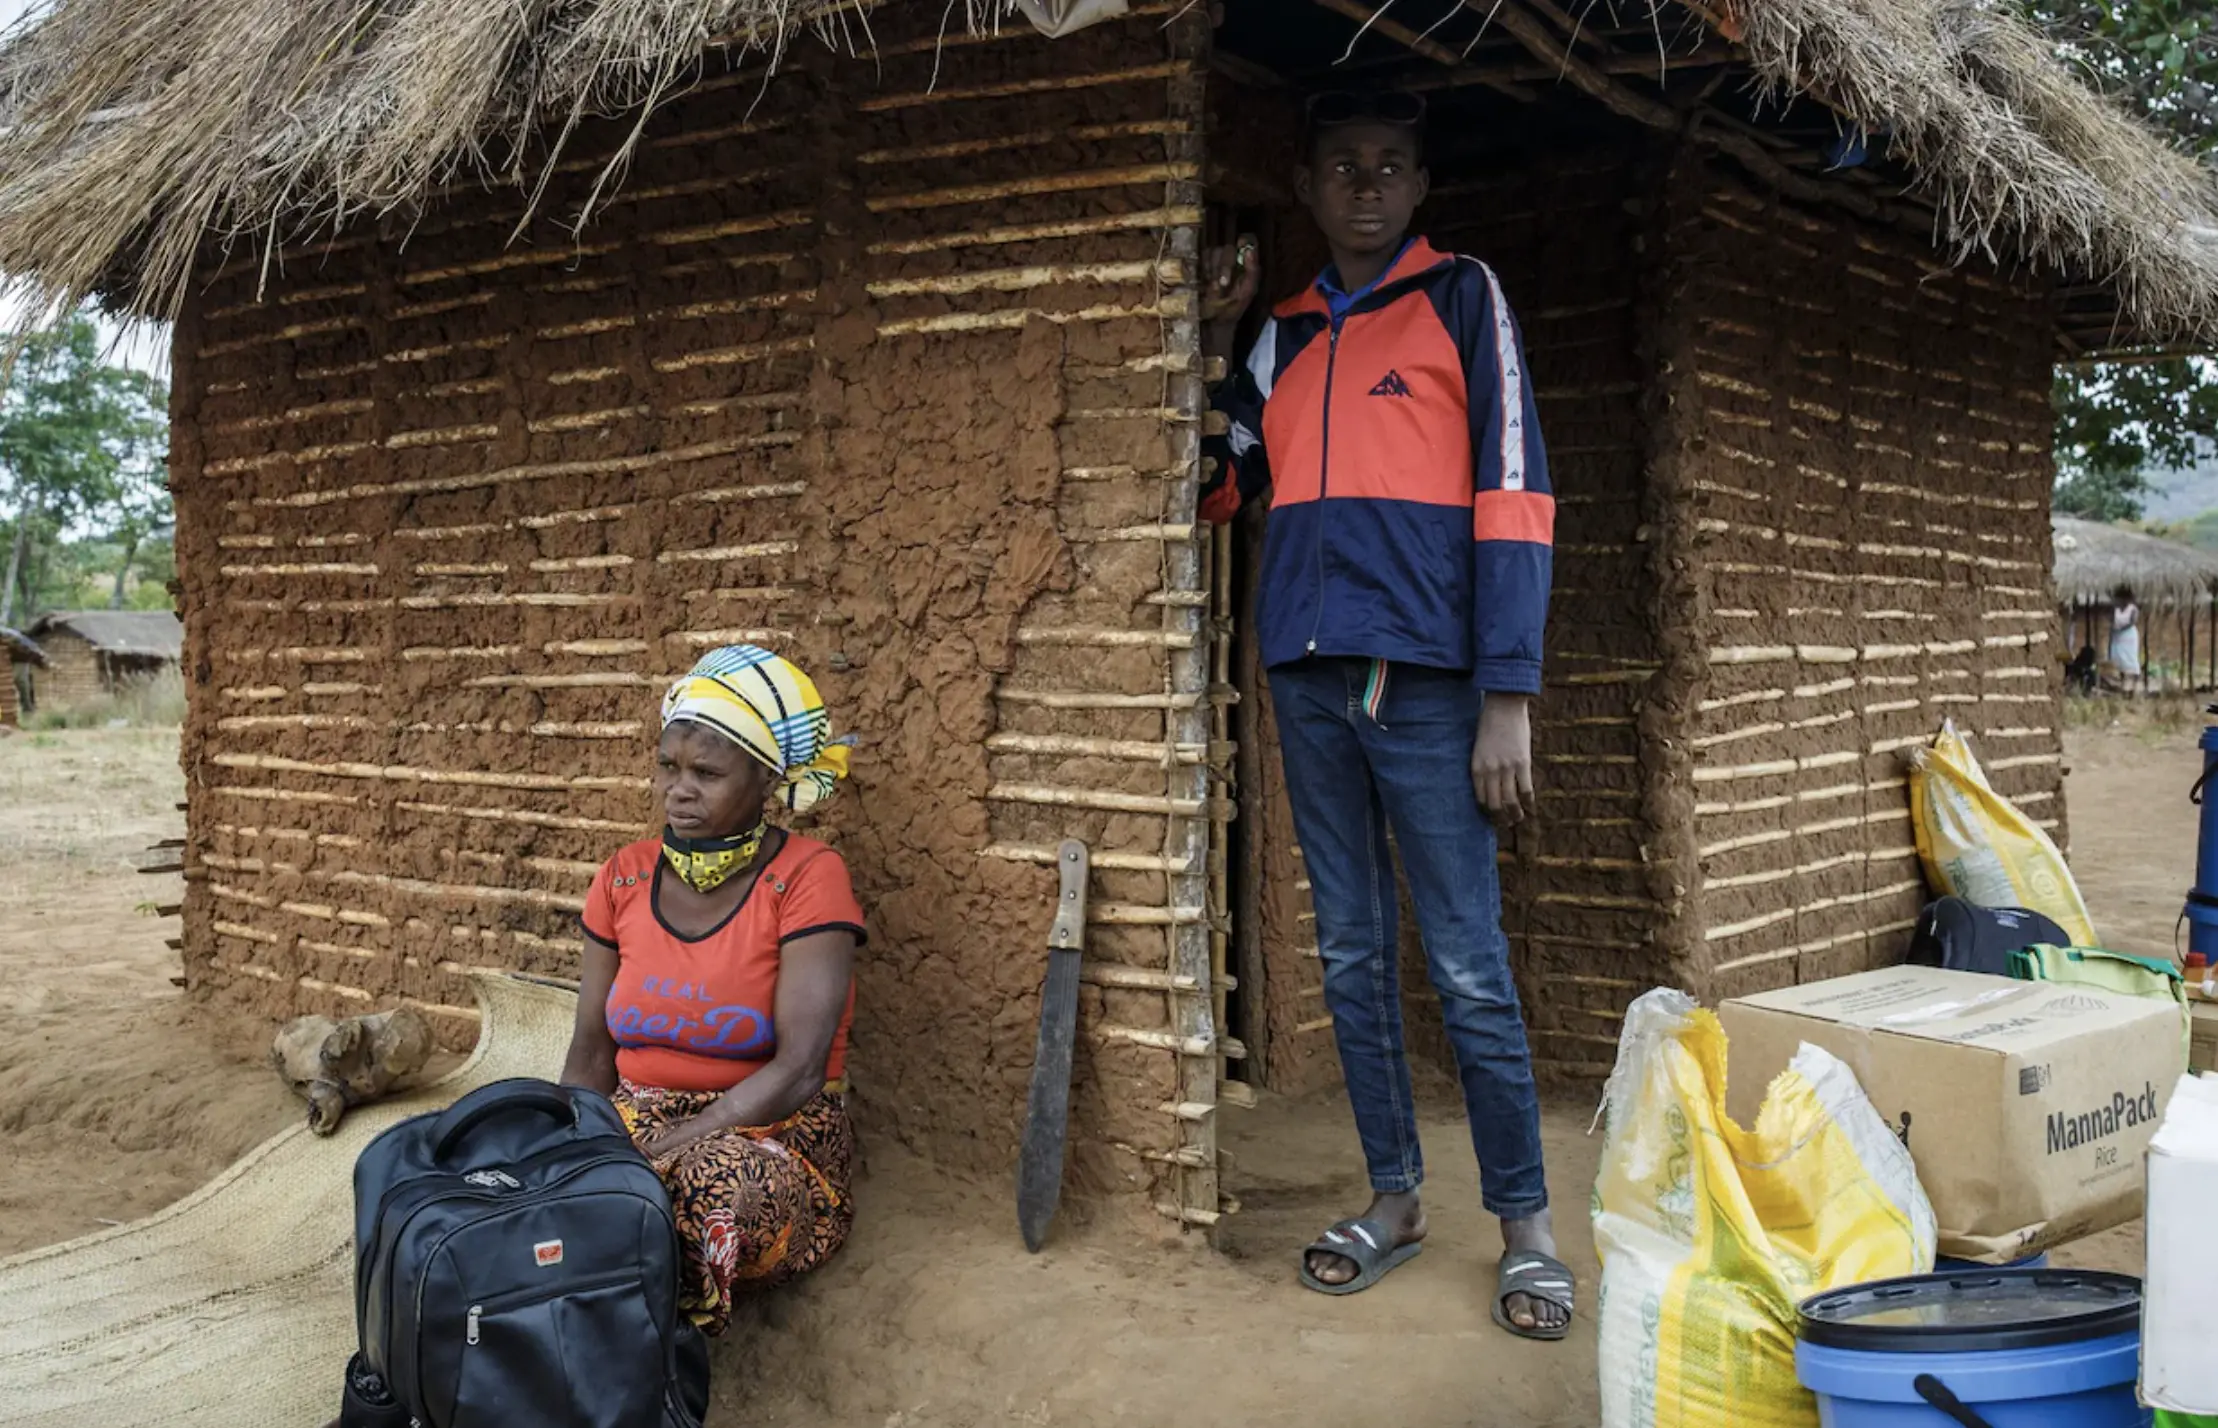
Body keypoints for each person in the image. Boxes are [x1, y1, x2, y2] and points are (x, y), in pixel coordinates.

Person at [1196, 89, 1571, 1339]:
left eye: (1390, 166)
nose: (1366, 184)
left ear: (1418, 188)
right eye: (1344, 165)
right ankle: (1396, 1199)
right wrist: (1199, 343)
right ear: (1306, 184)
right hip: (1307, 677)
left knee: (1466, 962)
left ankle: (1525, 1228)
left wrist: (1506, 693)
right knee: (1351, 954)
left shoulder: (1462, 298)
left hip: (1428, 683)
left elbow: (1515, 491)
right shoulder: (1284, 336)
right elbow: (1219, 485)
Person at [559, 644, 866, 1336]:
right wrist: (571, 1144)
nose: (678, 789)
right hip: (636, 1120)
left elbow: (799, 1069)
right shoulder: (624, 877)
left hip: (769, 1132)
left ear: (765, 781)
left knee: (713, 1185)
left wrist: (672, 1144)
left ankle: (645, 1343)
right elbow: (588, 1051)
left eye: (707, 772)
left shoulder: (809, 877)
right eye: (668, 767)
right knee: (528, 1166)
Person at [2110, 587, 2142, 694]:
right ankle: (2124, 682)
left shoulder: (2133, 609)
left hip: (2128, 636)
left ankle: (2135, 683)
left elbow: (2132, 622)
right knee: (2119, 657)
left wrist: (2121, 628)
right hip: (2118, 636)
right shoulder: (2117, 609)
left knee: (2130, 656)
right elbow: (2112, 620)